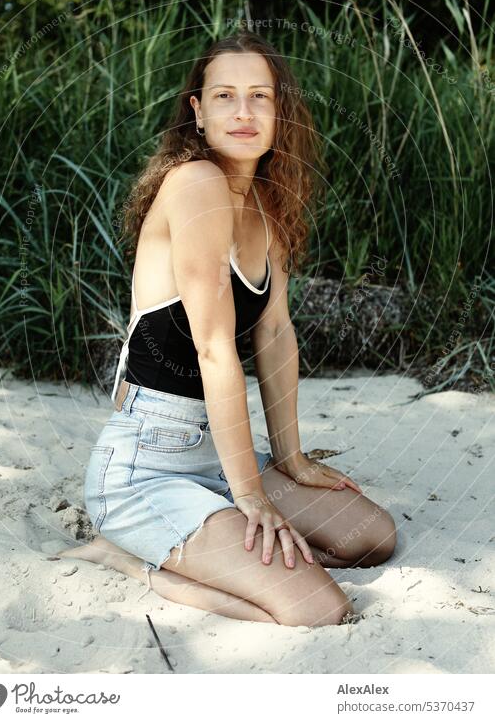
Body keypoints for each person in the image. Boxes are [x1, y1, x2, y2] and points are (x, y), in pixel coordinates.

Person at [59, 31, 396, 626]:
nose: (243, 112)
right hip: (148, 461)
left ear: (278, 110)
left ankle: (223, 526)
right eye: (224, 96)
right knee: (316, 608)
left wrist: (291, 458)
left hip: (219, 448)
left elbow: (274, 334)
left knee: (371, 537)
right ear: (197, 109)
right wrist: (252, 496)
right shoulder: (195, 184)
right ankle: (127, 557)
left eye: (259, 96)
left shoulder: (265, 204)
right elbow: (215, 349)